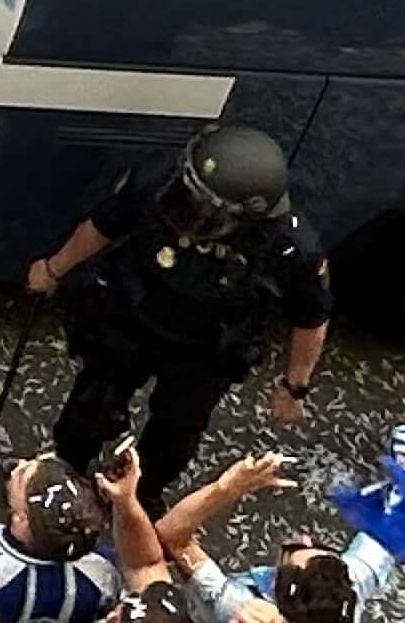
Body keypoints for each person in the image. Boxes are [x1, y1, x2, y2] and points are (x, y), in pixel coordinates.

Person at [25, 123, 333, 498]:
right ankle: (66, 471)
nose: (185, 211)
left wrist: (294, 386)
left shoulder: (290, 247)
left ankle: (141, 496)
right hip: (133, 316)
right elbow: (103, 226)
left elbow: (310, 318)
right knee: (91, 402)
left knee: (176, 429)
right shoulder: (159, 181)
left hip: (207, 348)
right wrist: (54, 268)